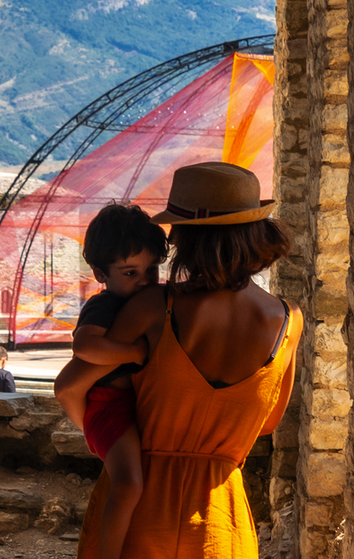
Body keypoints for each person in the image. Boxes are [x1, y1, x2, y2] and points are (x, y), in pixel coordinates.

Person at [55, 162, 303, 559]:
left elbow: (70, 385)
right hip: (219, 525)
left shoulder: (153, 306)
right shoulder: (289, 320)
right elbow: (268, 422)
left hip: (138, 522)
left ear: (186, 238)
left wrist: (109, 433)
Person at [53, 203, 168, 559]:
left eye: (152, 269)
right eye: (131, 272)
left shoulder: (147, 298)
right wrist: (134, 352)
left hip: (125, 406)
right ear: (100, 273)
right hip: (109, 406)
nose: (144, 280)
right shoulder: (103, 306)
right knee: (129, 483)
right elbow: (85, 346)